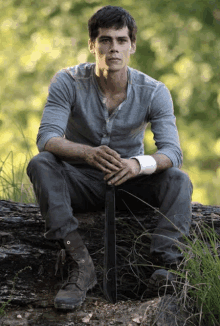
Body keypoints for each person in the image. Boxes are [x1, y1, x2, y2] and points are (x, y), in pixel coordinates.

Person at [27, 5, 193, 309]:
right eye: (105, 40)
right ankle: (80, 264)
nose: (113, 48)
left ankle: (166, 266)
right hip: (79, 181)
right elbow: (46, 139)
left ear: (132, 46)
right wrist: (87, 153)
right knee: (41, 164)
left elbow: (173, 152)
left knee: (178, 180)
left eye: (120, 40)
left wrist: (136, 164)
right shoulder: (68, 81)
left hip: (130, 183)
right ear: (92, 45)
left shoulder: (154, 91)